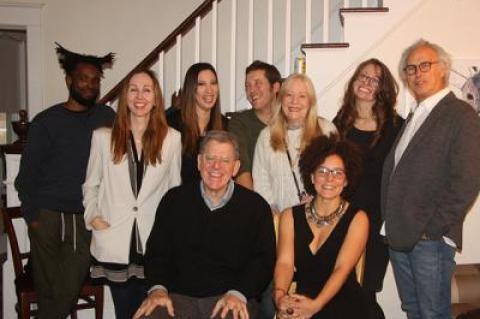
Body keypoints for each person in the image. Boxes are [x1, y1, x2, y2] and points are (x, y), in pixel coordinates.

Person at [14, 43, 116, 318]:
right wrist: (32, 218)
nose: (89, 85)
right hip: (46, 218)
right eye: (83, 78)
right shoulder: (46, 122)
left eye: (95, 80)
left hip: (84, 219)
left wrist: (171, 115)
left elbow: (137, 134)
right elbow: (25, 178)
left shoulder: (107, 117)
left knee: (65, 289)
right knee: (48, 290)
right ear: (69, 80)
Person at [381, 39, 480, 318]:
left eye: (425, 65)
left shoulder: (461, 114)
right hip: (401, 235)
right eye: (411, 68)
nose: (417, 73)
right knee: (414, 310)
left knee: (433, 313)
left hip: (429, 240)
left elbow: (468, 180)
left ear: (443, 69)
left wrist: (432, 229)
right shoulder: (415, 115)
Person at [133, 130, 275, 319]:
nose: (216, 166)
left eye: (225, 160)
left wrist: (239, 292)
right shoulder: (174, 201)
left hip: (230, 298)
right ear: (199, 162)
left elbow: (263, 261)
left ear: (236, 167)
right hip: (178, 299)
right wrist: (158, 289)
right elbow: (157, 252)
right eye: (210, 158)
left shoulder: (256, 207)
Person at [82, 69, 181, 319]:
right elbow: (91, 185)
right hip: (115, 239)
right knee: (125, 314)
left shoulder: (172, 139)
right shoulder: (103, 138)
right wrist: (93, 216)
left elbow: (174, 192)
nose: (140, 96)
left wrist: (172, 234)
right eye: (133, 89)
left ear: (156, 98)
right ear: (125, 97)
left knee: (154, 313)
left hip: (154, 241)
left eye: (147, 90)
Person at [333, 58, 403, 318]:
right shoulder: (338, 124)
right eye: (362, 76)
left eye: (374, 79)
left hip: (377, 224)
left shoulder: (396, 127)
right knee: (341, 288)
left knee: (366, 291)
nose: (366, 82)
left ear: (382, 88)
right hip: (342, 221)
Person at [274, 135, 369, 319]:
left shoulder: (358, 218)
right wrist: (280, 296)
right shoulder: (289, 216)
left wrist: (316, 306)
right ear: (311, 175)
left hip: (345, 306)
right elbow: (284, 263)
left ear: (346, 180)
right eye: (322, 171)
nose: (329, 179)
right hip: (302, 302)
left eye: (337, 173)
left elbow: (341, 269)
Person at [253, 73, 337, 215]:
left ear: (310, 102)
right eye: (289, 95)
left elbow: (336, 176)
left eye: (302, 96)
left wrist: (318, 201)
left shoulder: (326, 130)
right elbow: (261, 183)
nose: (294, 102)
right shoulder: (266, 136)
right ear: (281, 100)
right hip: (279, 221)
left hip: (320, 218)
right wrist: (277, 215)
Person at [167, 62, 227, 184]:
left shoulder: (226, 126)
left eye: (213, 83)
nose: (209, 90)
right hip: (179, 198)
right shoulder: (172, 123)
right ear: (191, 89)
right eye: (201, 84)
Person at [228, 60, 282, 190]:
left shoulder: (290, 120)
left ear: (275, 87)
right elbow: (242, 170)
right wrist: (258, 207)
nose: (251, 91)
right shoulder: (239, 122)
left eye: (258, 84)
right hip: (255, 199)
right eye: (248, 86)